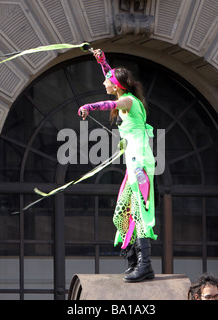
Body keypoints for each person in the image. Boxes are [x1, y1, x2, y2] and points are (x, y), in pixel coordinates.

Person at [78, 49, 157, 283]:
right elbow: (111, 78)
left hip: (140, 162)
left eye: (107, 80)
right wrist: (102, 61)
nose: (104, 82)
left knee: (140, 212)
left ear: (117, 85)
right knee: (121, 213)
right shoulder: (124, 95)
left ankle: (145, 266)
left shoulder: (129, 101)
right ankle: (134, 260)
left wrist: (89, 107)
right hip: (133, 162)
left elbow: (111, 100)